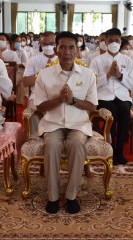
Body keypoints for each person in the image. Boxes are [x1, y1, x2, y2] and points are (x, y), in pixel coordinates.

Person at [34, 31, 98, 214]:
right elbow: (40, 106)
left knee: (77, 143)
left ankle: (71, 196)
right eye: (62, 47)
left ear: (78, 51)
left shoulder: (87, 74)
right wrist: (59, 100)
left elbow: (92, 106)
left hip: (78, 124)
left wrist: (73, 101)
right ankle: (52, 197)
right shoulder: (44, 75)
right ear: (56, 50)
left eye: (71, 47)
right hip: (52, 124)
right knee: (52, 145)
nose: (67, 51)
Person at [89, 28, 133, 165]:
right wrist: (108, 75)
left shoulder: (127, 61)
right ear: (105, 42)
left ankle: (119, 152)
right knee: (111, 112)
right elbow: (91, 84)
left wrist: (120, 76)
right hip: (103, 97)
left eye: (116, 40)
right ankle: (109, 151)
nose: (113, 43)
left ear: (120, 41)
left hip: (122, 97)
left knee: (124, 111)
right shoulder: (97, 61)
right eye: (110, 41)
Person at [23, 31, 58, 134]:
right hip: (37, 95)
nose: (48, 46)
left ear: (56, 44)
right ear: (41, 44)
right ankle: (34, 139)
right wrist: (41, 73)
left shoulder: (62, 59)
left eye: (51, 44)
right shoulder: (34, 60)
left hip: (58, 95)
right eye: (45, 44)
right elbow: (25, 82)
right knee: (33, 112)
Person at [9, 34, 28, 105]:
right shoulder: (7, 50)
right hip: (7, 71)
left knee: (15, 80)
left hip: (19, 71)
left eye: (20, 42)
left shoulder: (22, 51)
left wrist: (18, 64)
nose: (19, 44)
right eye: (17, 42)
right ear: (12, 42)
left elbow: (26, 64)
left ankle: (13, 98)